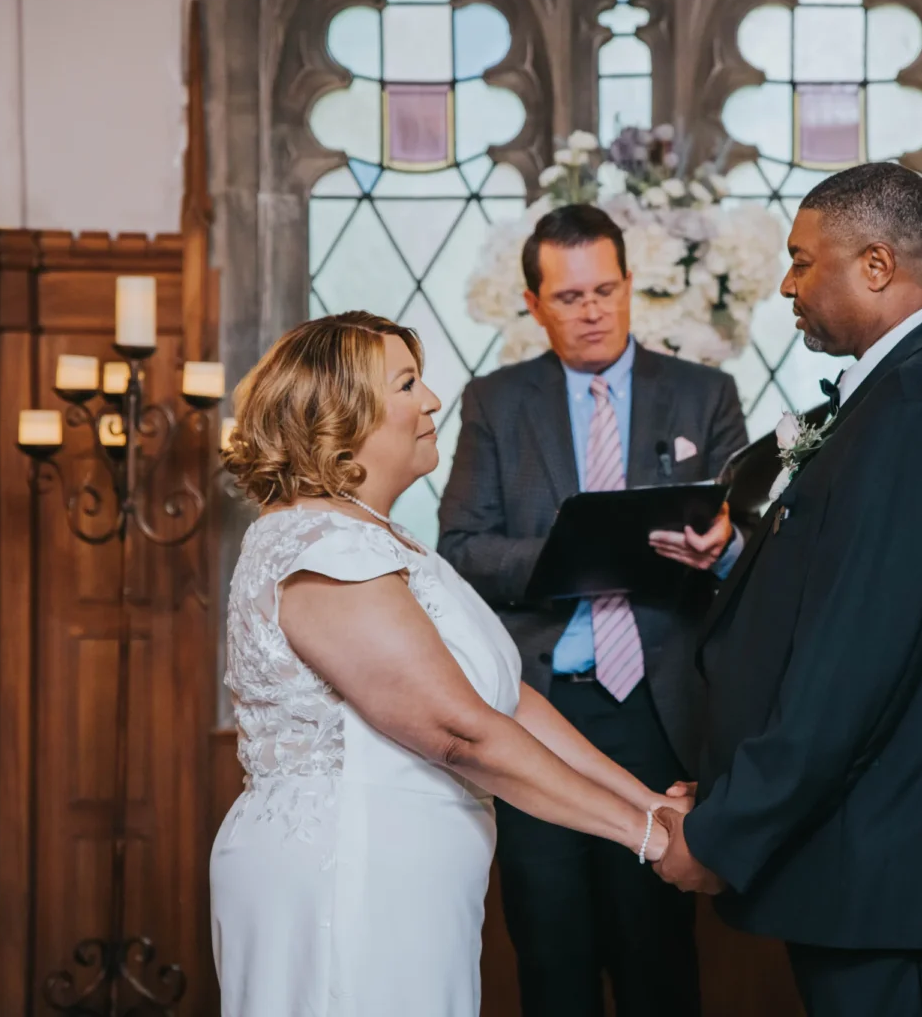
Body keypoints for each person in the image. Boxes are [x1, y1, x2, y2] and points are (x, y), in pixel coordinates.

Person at [652, 163, 922, 1015]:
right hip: (895, 862)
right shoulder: (919, 381)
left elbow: (853, 668)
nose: (787, 283)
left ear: (876, 266)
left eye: (805, 262)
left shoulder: (917, 405)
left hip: (913, 875)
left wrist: (725, 835)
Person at [209, 311, 690, 1017]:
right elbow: (456, 731)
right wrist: (644, 839)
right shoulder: (319, 546)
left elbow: (511, 702)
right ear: (340, 417)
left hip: (411, 879)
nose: (433, 400)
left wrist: (647, 802)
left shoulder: (386, 542)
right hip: (348, 874)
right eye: (407, 383)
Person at [438, 204, 751, 1016]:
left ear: (630, 285)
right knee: (551, 948)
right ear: (534, 304)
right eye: (570, 297)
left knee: (659, 954)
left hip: (661, 708)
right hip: (540, 708)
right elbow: (461, 547)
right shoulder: (494, 402)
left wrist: (725, 546)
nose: (593, 311)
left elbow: (748, 536)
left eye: (606, 290)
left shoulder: (704, 394)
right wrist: (569, 556)